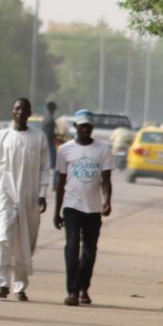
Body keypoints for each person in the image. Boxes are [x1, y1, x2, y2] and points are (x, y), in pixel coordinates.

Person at [0, 97, 49, 301]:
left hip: (28, 195)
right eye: (17, 108)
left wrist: (42, 194)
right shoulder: (0, 137)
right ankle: (1, 284)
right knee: (3, 237)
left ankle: (20, 286)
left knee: (24, 242)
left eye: (24, 109)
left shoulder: (39, 137)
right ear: (12, 111)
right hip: (3, 192)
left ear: (30, 113)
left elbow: (45, 168)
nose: (20, 112)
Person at [53, 110, 113, 306]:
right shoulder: (65, 150)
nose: (85, 129)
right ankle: (71, 291)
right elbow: (61, 182)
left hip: (93, 208)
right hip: (72, 205)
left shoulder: (102, 149)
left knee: (89, 250)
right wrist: (57, 211)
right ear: (76, 127)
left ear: (92, 128)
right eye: (81, 126)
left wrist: (107, 200)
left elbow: (106, 179)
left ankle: (83, 289)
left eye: (88, 126)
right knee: (71, 247)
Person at [42, 101, 58, 189]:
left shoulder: (46, 118)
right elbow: (49, 134)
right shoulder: (50, 119)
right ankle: (54, 185)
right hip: (49, 143)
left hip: (47, 143)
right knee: (55, 165)